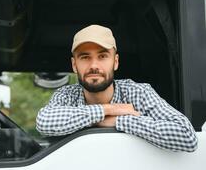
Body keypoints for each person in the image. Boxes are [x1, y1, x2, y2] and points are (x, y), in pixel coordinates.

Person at [36, 24, 198, 152]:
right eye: (85, 57)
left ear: (115, 62)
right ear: (74, 65)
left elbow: (186, 135)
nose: (94, 66)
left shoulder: (138, 92)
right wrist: (110, 110)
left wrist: (118, 121)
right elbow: (44, 122)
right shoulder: (66, 95)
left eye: (102, 56)